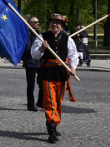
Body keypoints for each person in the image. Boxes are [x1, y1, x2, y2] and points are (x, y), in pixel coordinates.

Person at [31, 13, 78, 143]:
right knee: (50, 100)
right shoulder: (42, 37)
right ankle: (51, 130)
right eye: (52, 22)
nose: (54, 24)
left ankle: (54, 125)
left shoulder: (67, 38)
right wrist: (42, 48)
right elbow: (34, 55)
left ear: (61, 25)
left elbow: (73, 55)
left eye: (57, 23)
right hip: (47, 73)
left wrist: (73, 68)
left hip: (62, 73)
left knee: (57, 101)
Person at [21, 17, 42, 112]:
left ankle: (40, 101)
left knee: (43, 82)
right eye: (35, 22)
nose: (38, 23)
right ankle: (30, 104)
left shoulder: (39, 34)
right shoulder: (27, 34)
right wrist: (38, 51)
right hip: (30, 62)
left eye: (38, 22)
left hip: (39, 62)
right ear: (30, 23)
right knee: (31, 85)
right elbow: (27, 48)